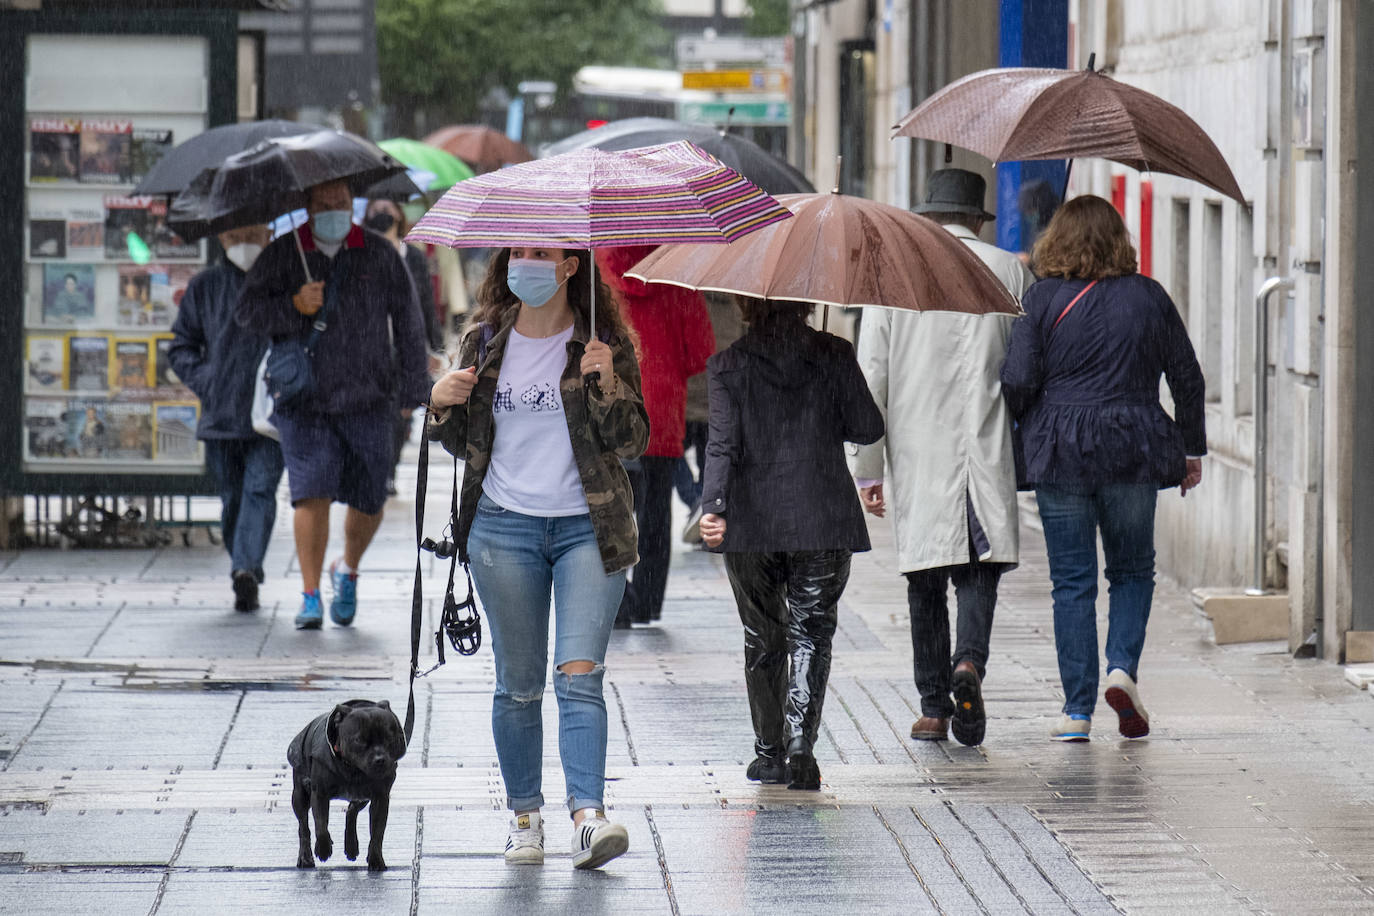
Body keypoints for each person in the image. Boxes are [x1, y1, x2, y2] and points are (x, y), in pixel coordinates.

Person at [427, 245, 648, 870]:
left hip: (589, 529)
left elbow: (635, 440)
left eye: (540, 254)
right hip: (502, 529)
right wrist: (440, 400)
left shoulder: (600, 343)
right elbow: (456, 438)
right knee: (519, 688)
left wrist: (606, 383)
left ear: (570, 266)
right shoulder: (485, 342)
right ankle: (525, 817)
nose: (525, 264)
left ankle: (588, 817)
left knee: (580, 679)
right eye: (517, 254)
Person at [1000, 194, 1206, 742]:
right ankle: (1121, 669)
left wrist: (1034, 419)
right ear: (1120, 241)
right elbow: (1187, 377)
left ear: (1056, 241)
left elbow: (1017, 380)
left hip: (1060, 451)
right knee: (1132, 570)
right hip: (1133, 447)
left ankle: (1076, 711)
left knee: (1072, 582)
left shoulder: (1040, 299)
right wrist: (1191, 449)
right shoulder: (1149, 297)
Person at [852, 168, 1034, 747]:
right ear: (977, 219)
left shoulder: (893, 273)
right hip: (985, 443)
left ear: (925, 217)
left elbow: (871, 376)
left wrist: (868, 466)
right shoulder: (1009, 269)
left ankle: (933, 705)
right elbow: (1025, 364)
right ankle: (969, 665)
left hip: (917, 449)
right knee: (979, 567)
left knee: (924, 576)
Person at [700, 297, 883, 790]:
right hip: (821, 514)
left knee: (763, 636)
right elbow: (868, 427)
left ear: (743, 304)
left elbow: (722, 444)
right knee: (811, 631)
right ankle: (802, 738)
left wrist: (713, 506)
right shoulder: (834, 354)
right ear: (806, 301)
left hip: (752, 518)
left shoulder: (728, 365)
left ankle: (769, 751)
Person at [235, 179, 431, 630]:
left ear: (352, 205)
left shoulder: (379, 253)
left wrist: (413, 388)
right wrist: (293, 306)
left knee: (370, 496)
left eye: (340, 203)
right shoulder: (285, 253)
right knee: (311, 492)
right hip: (304, 399)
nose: (333, 211)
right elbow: (247, 312)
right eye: (323, 204)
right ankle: (308, 596)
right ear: (306, 207)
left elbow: (408, 320)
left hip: (369, 396)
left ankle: (348, 568)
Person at [595, 245, 715, 627]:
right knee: (656, 513)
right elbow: (700, 351)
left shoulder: (596, 267)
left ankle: (615, 598)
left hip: (611, 408)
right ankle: (647, 603)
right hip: (661, 413)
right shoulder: (677, 269)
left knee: (609, 511)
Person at [168, 224, 284, 612]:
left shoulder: (284, 281)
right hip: (222, 413)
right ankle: (243, 564)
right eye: (237, 235)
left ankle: (245, 568)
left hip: (271, 415)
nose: (245, 243)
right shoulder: (206, 287)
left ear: (269, 234)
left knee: (259, 490)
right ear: (221, 238)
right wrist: (209, 381)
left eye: (254, 234)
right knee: (233, 496)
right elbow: (182, 346)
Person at [363, 196, 444, 495]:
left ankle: (389, 469)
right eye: (377, 208)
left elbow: (425, 303)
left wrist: (434, 348)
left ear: (399, 213)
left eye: (389, 207)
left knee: (402, 414)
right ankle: (376, 467)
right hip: (369, 350)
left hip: (405, 348)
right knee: (375, 412)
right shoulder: (359, 253)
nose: (383, 213)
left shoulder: (414, 258)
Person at [676, 292, 745, 544]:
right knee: (711, 466)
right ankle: (705, 514)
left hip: (685, 398)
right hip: (717, 402)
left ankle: (695, 500)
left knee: (672, 460)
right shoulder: (737, 305)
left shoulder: (687, 298)